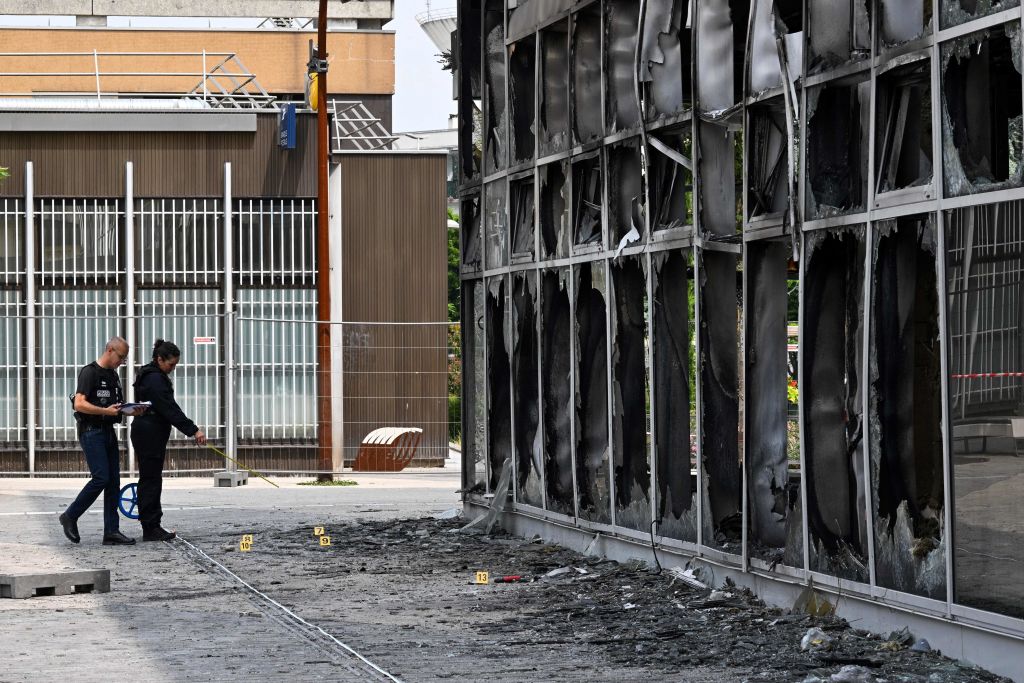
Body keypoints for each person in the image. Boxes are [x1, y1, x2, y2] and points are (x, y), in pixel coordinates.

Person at [60, 336, 147, 545]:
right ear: (109, 350)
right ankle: (70, 515)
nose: (122, 361)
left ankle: (111, 531)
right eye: (121, 357)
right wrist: (105, 412)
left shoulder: (113, 376)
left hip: (108, 431)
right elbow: (79, 404)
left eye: (125, 358)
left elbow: (113, 408)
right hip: (91, 431)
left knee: (114, 482)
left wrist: (131, 410)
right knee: (101, 478)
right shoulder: (89, 372)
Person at [131, 339, 206, 541]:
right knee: (151, 480)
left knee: (151, 478)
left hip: (148, 432)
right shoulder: (155, 379)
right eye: (171, 364)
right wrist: (193, 430)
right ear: (160, 359)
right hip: (149, 433)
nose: (172, 368)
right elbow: (168, 408)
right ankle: (151, 527)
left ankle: (152, 524)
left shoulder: (149, 374)